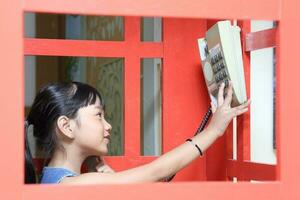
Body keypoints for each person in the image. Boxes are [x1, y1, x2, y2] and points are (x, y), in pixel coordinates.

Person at [25, 81, 250, 184]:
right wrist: (214, 130)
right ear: (66, 126)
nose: (108, 125)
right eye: (98, 115)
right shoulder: (72, 186)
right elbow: (155, 172)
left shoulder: (56, 179)